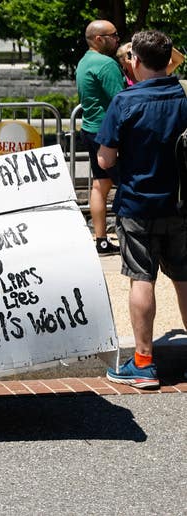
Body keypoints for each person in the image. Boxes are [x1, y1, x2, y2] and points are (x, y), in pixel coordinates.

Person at [96, 30, 187, 389]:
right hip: (180, 205)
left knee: (141, 279)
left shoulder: (125, 101)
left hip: (137, 204)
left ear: (135, 61)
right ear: (167, 60)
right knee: (183, 279)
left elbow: (105, 159)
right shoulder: (183, 97)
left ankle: (144, 363)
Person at [76, 19, 125, 255]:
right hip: (109, 132)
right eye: (113, 35)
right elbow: (123, 100)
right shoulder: (106, 64)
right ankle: (131, 234)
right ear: (99, 39)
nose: (117, 39)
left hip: (90, 128)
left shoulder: (85, 61)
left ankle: (101, 240)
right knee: (127, 182)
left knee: (100, 184)